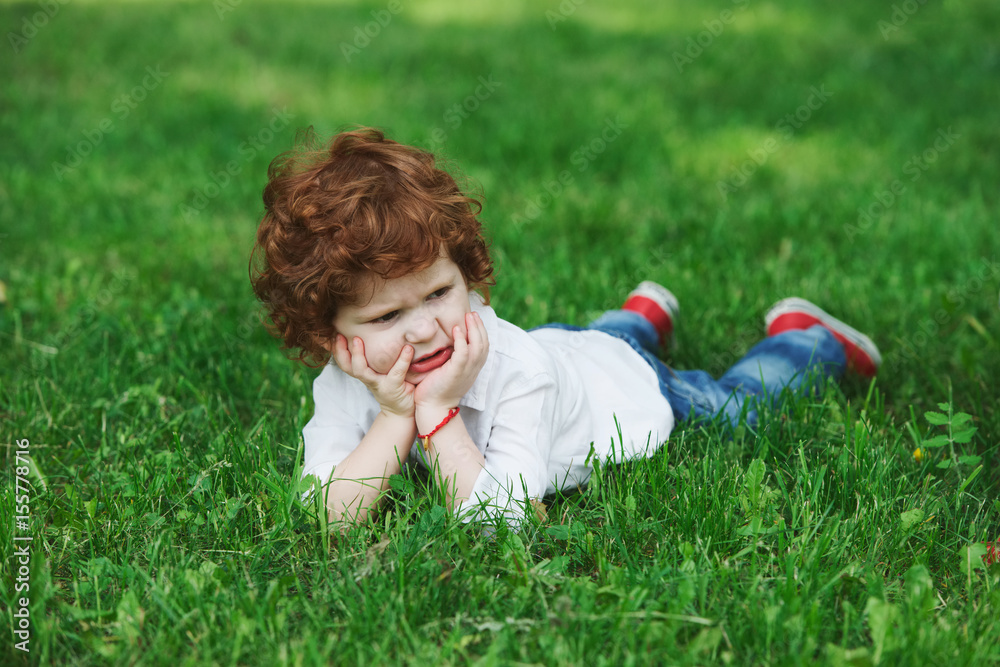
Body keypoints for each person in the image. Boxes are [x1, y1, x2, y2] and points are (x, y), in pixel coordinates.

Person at [250, 127, 881, 528]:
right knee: (592, 344)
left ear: (467, 275)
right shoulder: (349, 378)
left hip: (628, 391)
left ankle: (804, 341)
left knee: (736, 408)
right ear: (329, 336)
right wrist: (393, 415)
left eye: (441, 293)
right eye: (387, 315)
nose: (425, 330)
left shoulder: (515, 369)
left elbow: (505, 521)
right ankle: (634, 320)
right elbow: (327, 517)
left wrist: (437, 414)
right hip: (568, 352)